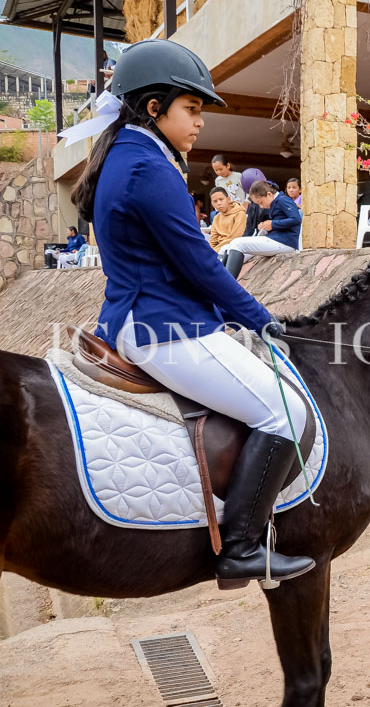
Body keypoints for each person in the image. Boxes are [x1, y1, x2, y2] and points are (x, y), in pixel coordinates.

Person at [68, 38, 314, 585]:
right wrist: (261, 319)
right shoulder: (148, 168)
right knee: (286, 414)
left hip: (141, 316)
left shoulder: (128, 155)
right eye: (192, 108)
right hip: (165, 328)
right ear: (154, 108)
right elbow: (200, 265)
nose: (201, 122)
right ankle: (242, 547)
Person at [222, 180, 302, 278]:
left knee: (237, 243)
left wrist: (272, 224)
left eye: (261, 202)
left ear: (269, 194)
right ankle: (220, 279)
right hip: (277, 239)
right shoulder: (276, 201)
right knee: (226, 248)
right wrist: (266, 226)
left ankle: (227, 283)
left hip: (285, 242)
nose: (261, 206)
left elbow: (296, 219)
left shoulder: (283, 200)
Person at [207, 186, 247, 253]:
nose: (219, 203)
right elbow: (212, 241)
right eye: (215, 201)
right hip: (218, 250)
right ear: (212, 204)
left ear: (228, 199)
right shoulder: (216, 218)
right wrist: (209, 252)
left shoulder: (240, 214)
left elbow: (236, 237)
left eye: (221, 199)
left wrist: (215, 251)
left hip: (233, 249)